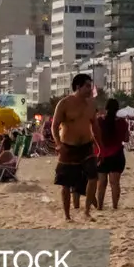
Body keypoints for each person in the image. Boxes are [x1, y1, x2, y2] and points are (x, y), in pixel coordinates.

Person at [51, 74, 99, 221]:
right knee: (65, 183)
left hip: (86, 146)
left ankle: (86, 212)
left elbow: (95, 126)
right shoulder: (64, 103)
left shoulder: (91, 105)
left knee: (93, 176)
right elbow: (54, 126)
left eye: (90, 86)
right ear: (78, 87)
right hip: (68, 147)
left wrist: (100, 145)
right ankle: (67, 215)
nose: (90, 90)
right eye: (87, 86)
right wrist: (59, 144)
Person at [94, 98, 129, 210]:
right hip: (117, 154)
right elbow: (126, 139)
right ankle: (115, 206)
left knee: (101, 183)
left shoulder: (99, 121)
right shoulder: (122, 122)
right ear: (118, 109)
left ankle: (100, 207)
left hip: (102, 154)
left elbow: (94, 136)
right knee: (115, 183)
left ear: (106, 108)